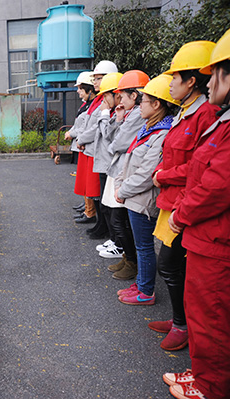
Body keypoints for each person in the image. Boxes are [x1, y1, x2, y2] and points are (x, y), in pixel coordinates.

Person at [164, 29, 230, 399]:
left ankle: (210, 387)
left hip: (215, 237)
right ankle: (203, 375)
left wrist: (181, 212)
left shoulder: (219, 123)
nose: (210, 83)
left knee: (212, 317)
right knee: (205, 312)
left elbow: (215, 184)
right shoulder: (220, 121)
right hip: (208, 237)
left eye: (215, 73)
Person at [148, 41, 219, 352]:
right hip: (172, 200)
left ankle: (182, 324)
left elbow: (199, 166)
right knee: (174, 266)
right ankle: (180, 318)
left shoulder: (207, 114)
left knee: (172, 264)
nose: (171, 83)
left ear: (192, 81)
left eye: (175, 78)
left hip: (185, 202)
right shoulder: (184, 113)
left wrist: (164, 175)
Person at [115, 72, 177, 306]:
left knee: (144, 247)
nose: (140, 105)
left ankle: (146, 291)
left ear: (157, 104)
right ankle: (142, 282)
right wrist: (120, 183)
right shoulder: (148, 129)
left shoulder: (161, 134)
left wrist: (122, 190)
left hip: (142, 199)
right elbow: (129, 159)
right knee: (141, 245)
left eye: (143, 101)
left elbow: (146, 174)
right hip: (133, 196)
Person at [102, 71, 148, 281]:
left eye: (124, 95)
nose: (120, 99)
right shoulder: (130, 113)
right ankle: (128, 258)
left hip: (124, 170)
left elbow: (116, 144)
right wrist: (119, 119)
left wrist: (117, 131)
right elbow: (112, 138)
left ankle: (132, 261)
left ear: (135, 96)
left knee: (120, 219)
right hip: (120, 168)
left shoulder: (138, 114)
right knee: (118, 218)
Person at [74, 60, 118, 228]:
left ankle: (105, 228)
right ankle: (102, 225)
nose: (96, 82)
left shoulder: (106, 102)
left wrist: (81, 138)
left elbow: (97, 127)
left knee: (101, 192)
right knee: (97, 191)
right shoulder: (98, 101)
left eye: (99, 78)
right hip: (93, 149)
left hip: (100, 151)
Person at [93, 72, 125, 259]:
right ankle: (115, 240)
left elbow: (110, 137)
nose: (104, 100)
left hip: (112, 164)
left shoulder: (118, 112)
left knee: (114, 209)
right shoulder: (116, 111)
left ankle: (118, 244)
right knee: (107, 206)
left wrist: (104, 115)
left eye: (106, 96)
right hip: (107, 162)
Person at [66, 71, 96, 210]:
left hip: (87, 146)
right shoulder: (87, 105)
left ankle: (90, 210)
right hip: (82, 144)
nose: (78, 91)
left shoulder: (94, 106)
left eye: (80, 88)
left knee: (89, 181)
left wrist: (73, 134)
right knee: (84, 179)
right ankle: (87, 207)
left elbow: (87, 127)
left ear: (90, 89)